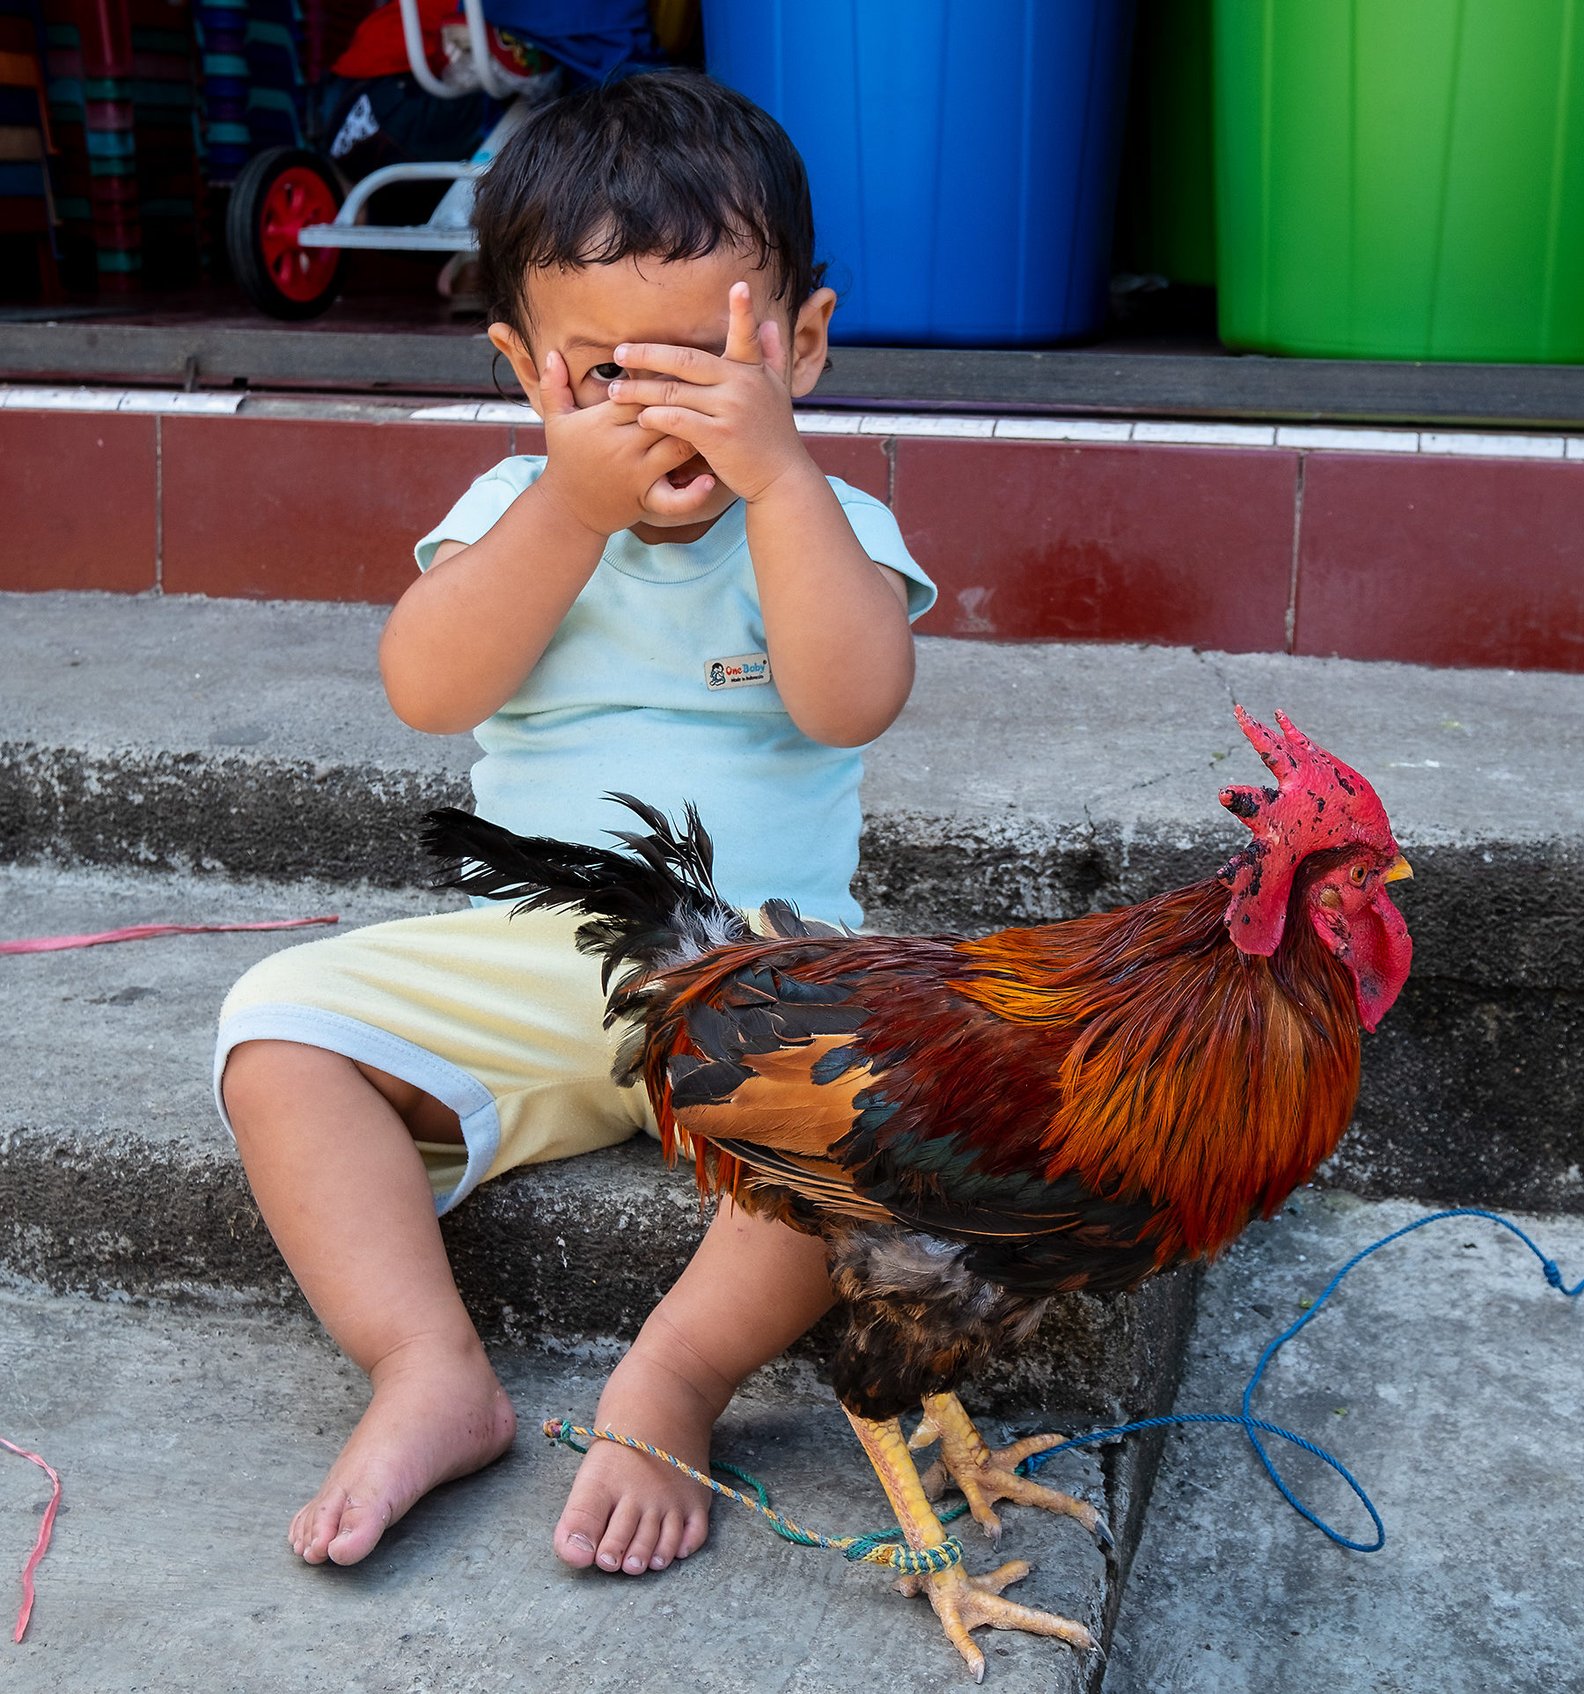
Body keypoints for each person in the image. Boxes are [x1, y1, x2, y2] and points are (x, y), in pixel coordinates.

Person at [214, 70, 937, 1582]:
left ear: (802, 346)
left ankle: (675, 1377)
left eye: (711, 362)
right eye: (609, 372)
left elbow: (851, 698)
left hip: (756, 977)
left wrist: (781, 480)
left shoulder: (825, 521)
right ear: (522, 368)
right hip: (535, 963)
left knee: (898, 1098)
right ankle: (427, 1365)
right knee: (275, 1031)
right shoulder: (511, 511)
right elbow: (427, 686)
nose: (663, 410)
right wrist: (566, 508)